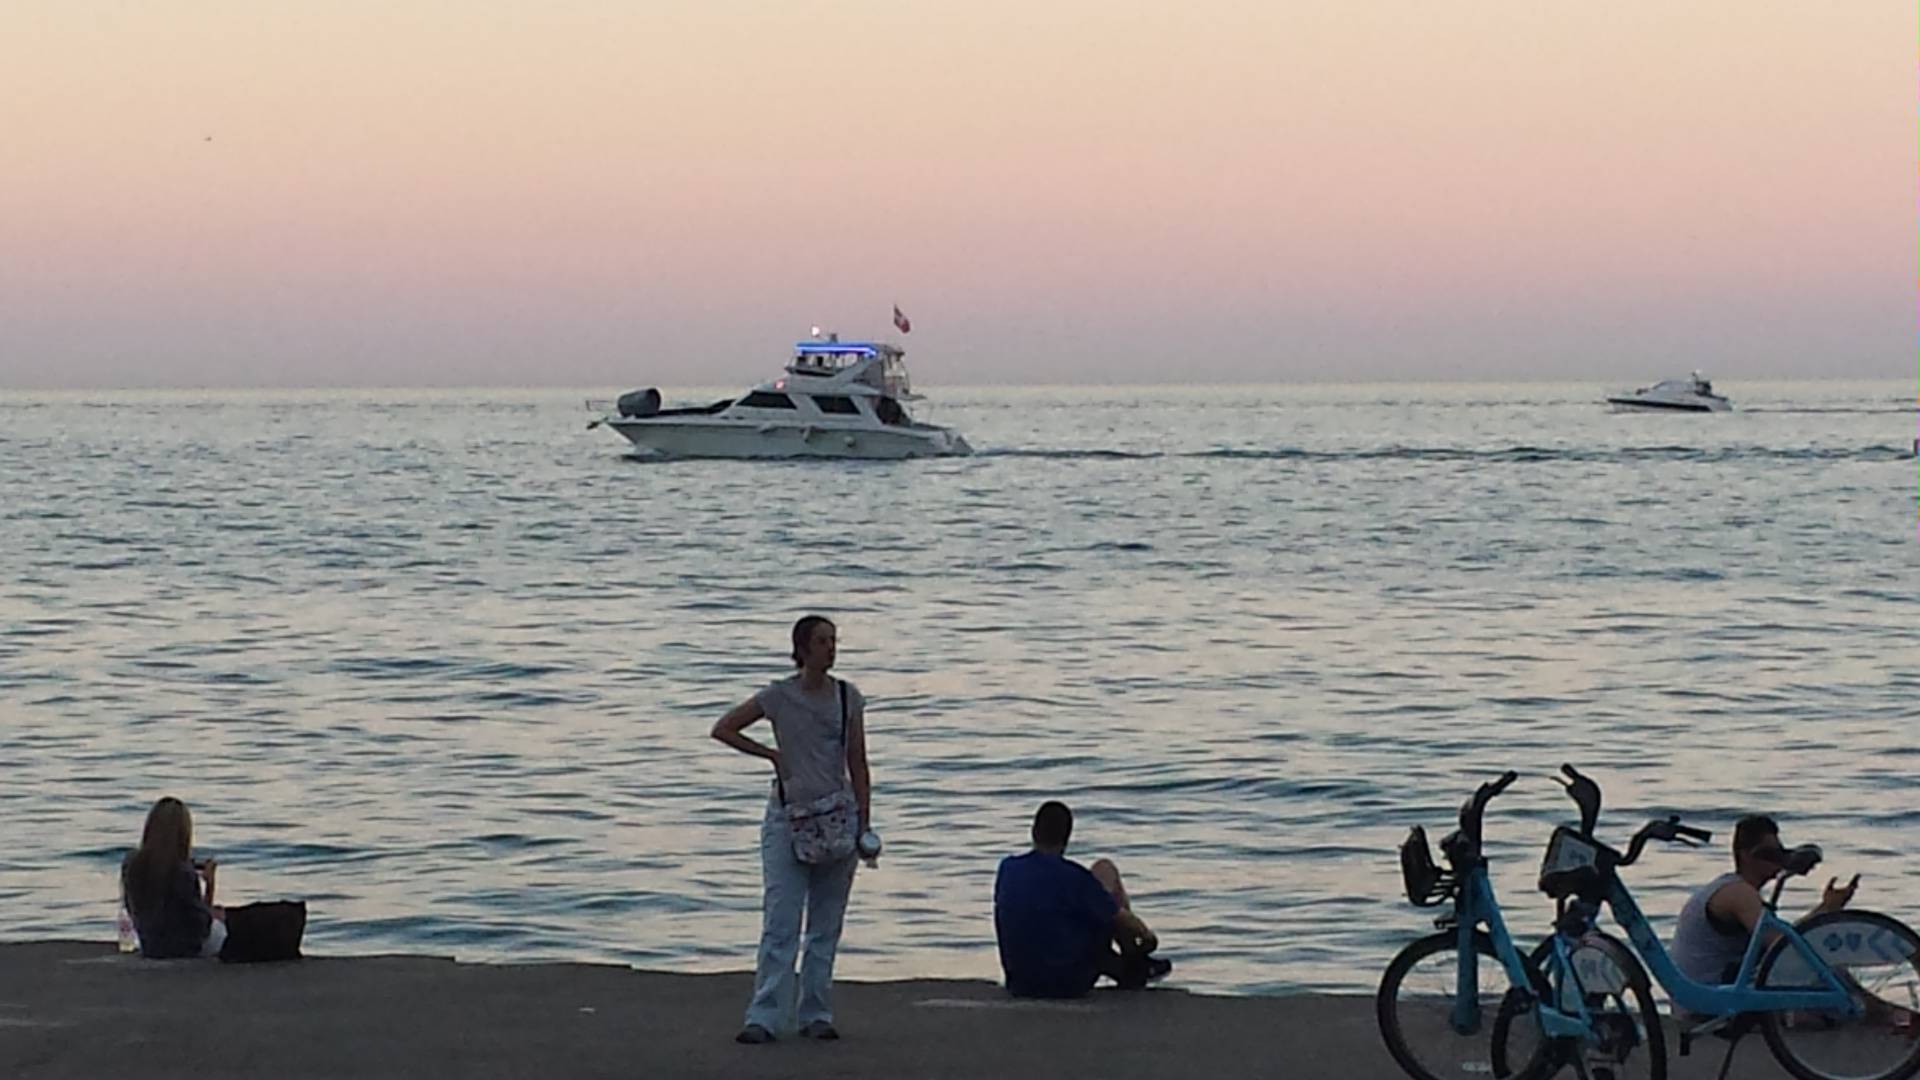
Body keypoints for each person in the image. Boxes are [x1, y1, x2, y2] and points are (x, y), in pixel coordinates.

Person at [711, 615, 872, 1044]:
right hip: (788, 818)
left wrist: (865, 823)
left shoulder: (846, 697)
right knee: (781, 921)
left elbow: (858, 761)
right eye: (822, 641)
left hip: (836, 816)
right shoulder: (778, 696)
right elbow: (724, 728)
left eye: (833, 641)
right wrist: (771, 754)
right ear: (802, 648)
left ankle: (815, 1012)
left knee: (825, 924)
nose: (830, 648)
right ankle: (763, 1016)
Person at [993, 801, 1170, 998]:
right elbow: (1124, 921)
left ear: (1033, 832)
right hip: (1067, 984)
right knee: (1105, 872)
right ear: (1067, 838)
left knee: (1070, 914)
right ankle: (1134, 966)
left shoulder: (1008, 869)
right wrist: (1148, 937)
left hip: (1021, 982)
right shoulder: (1074, 877)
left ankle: (1126, 967)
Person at [1671, 814, 1858, 988]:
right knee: (1822, 965)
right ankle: (1881, 1012)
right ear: (1745, 855)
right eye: (1770, 853)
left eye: (1779, 851)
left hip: (1717, 987)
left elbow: (1782, 939)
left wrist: (1827, 907)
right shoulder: (1738, 894)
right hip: (1713, 998)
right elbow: (1783, 949)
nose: (1777, 859)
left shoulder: (1733, 888)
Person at [121, 797, 227, 959]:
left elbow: (130, 907)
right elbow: (201, 927)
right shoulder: (183, 872)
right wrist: (210, 887)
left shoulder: (131, 863)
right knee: (226, 928)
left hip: (151, 945)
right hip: (185, 949)